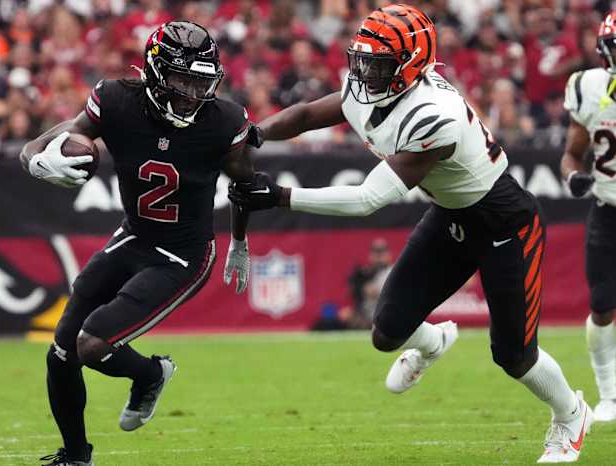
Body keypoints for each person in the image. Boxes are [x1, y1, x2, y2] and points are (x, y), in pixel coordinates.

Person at [230, 4, 591, 463]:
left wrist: (280, 196)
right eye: (360, 58)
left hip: (504, 224)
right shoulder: (370, 87)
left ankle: (570, 414)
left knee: (514, 356)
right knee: (386, 332)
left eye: (376, 64)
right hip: (450, 216)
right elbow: (303, 115)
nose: (363, 72)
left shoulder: (432, 116)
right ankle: (434, 342)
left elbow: (367, 199)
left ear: (411, 65)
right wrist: (253, 136)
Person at [20, 22, 255, 466]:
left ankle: (150, 373)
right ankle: (75, 456)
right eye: (183, 79)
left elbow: (245, 184)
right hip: (133, 236)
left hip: (184, 255)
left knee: (92, 344)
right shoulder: (115, 99)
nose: (192, 92)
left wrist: (239, 242)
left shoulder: (225, 120)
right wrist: (34, 160)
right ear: (154, 72)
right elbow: (56, 138)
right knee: (61, 353)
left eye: (202, 81)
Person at [561, 11, 616, 424]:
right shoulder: (588, 87)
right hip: (607, 209)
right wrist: (574, 177)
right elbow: (571, 154)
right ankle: (610, 396)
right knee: (601, 305)